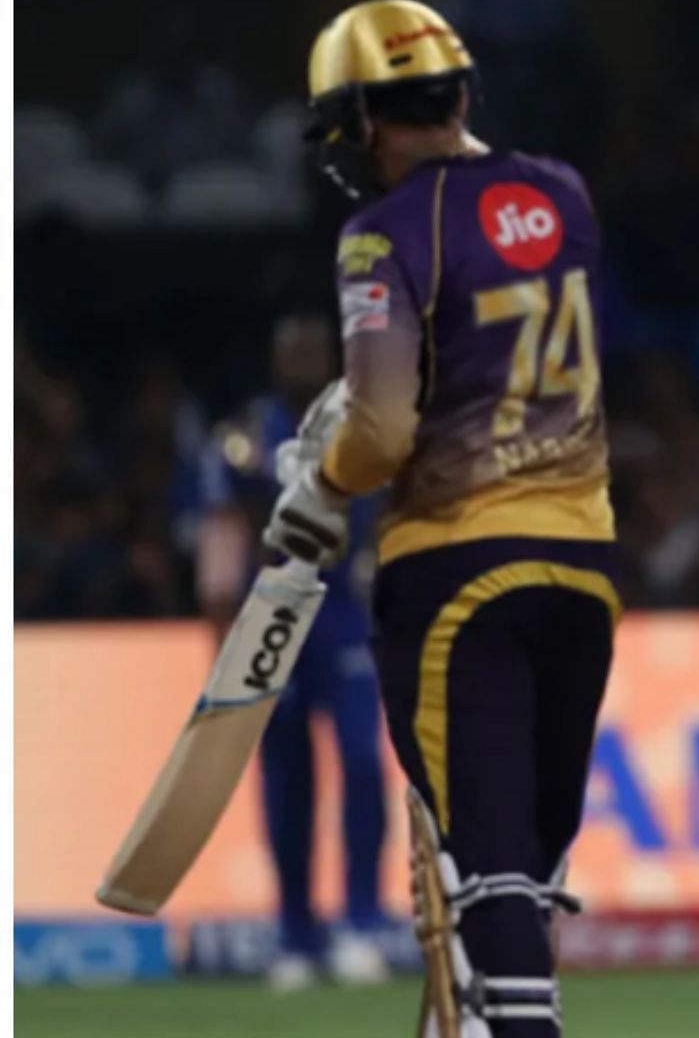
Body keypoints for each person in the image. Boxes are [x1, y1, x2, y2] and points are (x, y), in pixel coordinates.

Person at [265, 0, 620, 1036]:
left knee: (488, 861)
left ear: (365, 123)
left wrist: (318, 477)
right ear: (462, 94)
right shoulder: (563, 191)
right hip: (585, 565)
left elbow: (379, 429)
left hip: (457, 574)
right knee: (533, 857)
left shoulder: (381, 231)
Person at [196, 315, 389, 991]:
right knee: (287, 778)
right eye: (293, 349)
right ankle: (294, 935)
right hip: (273, 613)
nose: (304, 359)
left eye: (315, 349)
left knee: (364, 763)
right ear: (275, 359)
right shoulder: (245, 439)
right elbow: (223, 535)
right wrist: (224, 636)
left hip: (342, 613)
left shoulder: (361, 426)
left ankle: (362, 924)